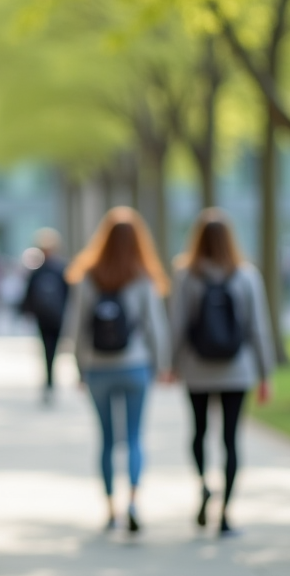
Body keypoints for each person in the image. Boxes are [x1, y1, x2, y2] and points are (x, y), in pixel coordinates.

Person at [168, 209, 274, 538]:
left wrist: (170, 364)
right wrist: (265, 373)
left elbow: (177, 324)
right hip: (236, 370)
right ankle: (226, 513)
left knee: (198, 433)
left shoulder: (186, 275)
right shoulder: (246, 276)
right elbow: (259, 328)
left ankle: (203, 486)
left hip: (197, 369)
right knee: (231, 440)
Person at [64, 208, 170, 532]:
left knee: (107, 440)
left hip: (98, 369)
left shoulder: (87, 276)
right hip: (136, 367)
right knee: (135, 437)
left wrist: (80, 369)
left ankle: (111, 510)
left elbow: (76, 328)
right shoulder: (143, 278)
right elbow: (156, 328)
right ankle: (134, 502)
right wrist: (163, 365)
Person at [20, 228, 69, 403]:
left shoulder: (40, 270)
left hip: (47, 316)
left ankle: (49, 382)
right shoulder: (59, 268)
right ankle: (50, 381)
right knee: (50, 350)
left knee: (48, 349)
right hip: (52, 316)